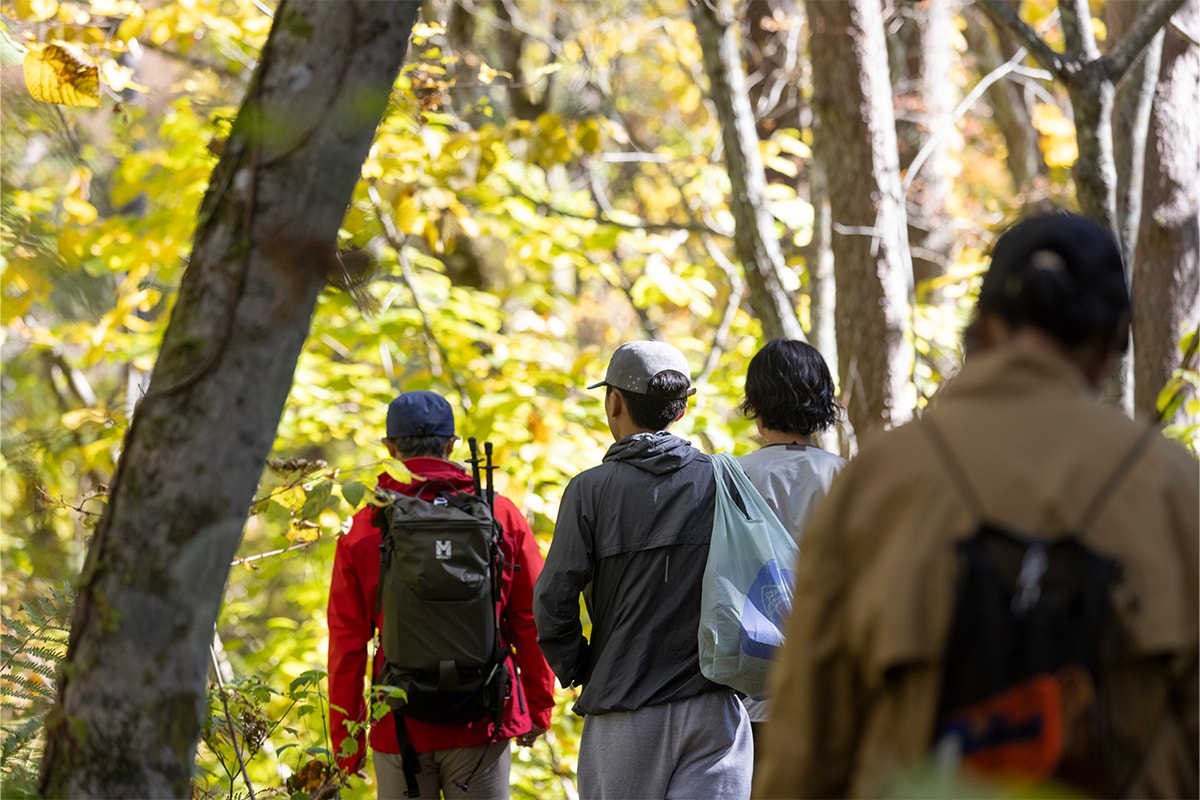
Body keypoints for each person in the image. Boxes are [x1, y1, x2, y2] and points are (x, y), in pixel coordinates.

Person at [754, 211, 1199, 799]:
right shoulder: (1175, 491)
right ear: (1118, 335)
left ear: (984, 324)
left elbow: (807, 745)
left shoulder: (878, 484)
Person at [534, 341, 754, 800]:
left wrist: (582, 666)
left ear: (614, 402)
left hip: (623, 711)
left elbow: (553, 600)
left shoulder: (590, 491)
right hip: (714, 709)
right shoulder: (722, 479)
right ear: (681, 409)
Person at [327, 390, 556, 799]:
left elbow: (347, 644)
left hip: (398, 724)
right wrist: (538, 705)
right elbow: (531, 618)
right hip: (483, 718)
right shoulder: (499, 515)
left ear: (390, 448)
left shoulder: (364, 526)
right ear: (451, 445)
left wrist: (348, 744)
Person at [736, 338, 846, 756]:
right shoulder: (848, 477)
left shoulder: (732, 478)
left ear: (757, 403)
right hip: (829, 685)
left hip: (748, 690)